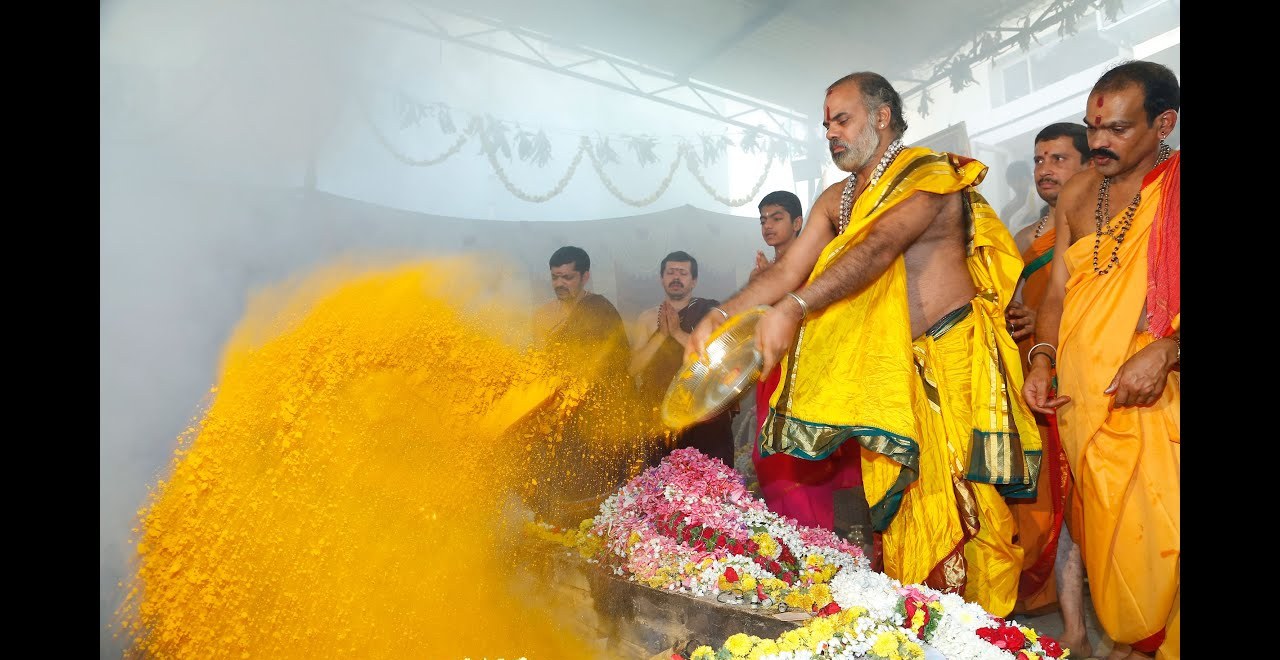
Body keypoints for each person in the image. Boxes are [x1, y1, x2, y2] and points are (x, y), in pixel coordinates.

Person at [688, 71, 1039, 617]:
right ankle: (927, 630)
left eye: (842, 119)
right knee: (903, 523)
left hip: (953, 362)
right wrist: (721, 313)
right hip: (891, 376)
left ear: (881, 117)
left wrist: (796, 308)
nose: (831, 132)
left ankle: (987, 632)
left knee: (971, 515)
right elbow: (788, 271)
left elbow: (878, 247)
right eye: (826, 124)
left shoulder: (928, 175)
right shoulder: (838, 198)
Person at [1022, 60, 1180, 660]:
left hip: (1154, 394)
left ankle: (1145, 645)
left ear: (1163, 124)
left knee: (1159, 535)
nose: (1099, 142)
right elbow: (1057, 296)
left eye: (1117, 128)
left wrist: (1169, 350)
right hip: (1082, 400)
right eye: (1093, 128)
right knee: (1104, 536)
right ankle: (1126, 640)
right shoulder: (1077, 192)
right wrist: (1041, 362)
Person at [1003, 122, 1093, 656]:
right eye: (1039, 160)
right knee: (1050, 506)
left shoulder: (1101, 222)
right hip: (1036, 379)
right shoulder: (1024, 237)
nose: (1045, 170)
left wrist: (1045, 319)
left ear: (1088, 162)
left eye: (1059, 158)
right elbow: (1015, 302)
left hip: (1088, 373)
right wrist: (1020, 319)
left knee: (1088, 506)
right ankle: (1074, 627)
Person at [745, 191, 863, 534]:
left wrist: (779, 292)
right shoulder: (761, 275)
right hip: (772, 375)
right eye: (763, 219)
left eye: (777, 217)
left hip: (806, 376)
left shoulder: (818, 267)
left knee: (802, 455)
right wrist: (761, 290)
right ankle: (788, 543)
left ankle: (816, 543)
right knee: (770, 456)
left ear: (798, 223)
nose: (768, 225)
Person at [528, 245, 633, 524]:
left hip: (595, 414)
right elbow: (539, 363)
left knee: (595, 486)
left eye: (567, 277)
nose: (559, 284)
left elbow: (620, 361)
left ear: (585, 277)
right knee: (558, 485)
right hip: (557, 414)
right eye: (555, 277)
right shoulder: (542, 315)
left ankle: (595, 533)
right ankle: (560, 533)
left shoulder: (601, 310)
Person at [628, 251, 735, 468]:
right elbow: (633, 368)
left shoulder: (710, 314)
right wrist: (661, 335)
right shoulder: (647, 318)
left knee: (709, 479)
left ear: (693, 281)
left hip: (704, 414)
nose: (676, 277)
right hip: (661, 415)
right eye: (670, 272)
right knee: (664, 481)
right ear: (661, 278)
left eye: (683, 273)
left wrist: (677, 333)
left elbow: (718, 361)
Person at [1000, 159, 1041, 232]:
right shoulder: (1007, 210)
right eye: (1013, 181)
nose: (1016, 185)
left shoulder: (1039, 201)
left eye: (1020, 179)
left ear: (1030, 178)